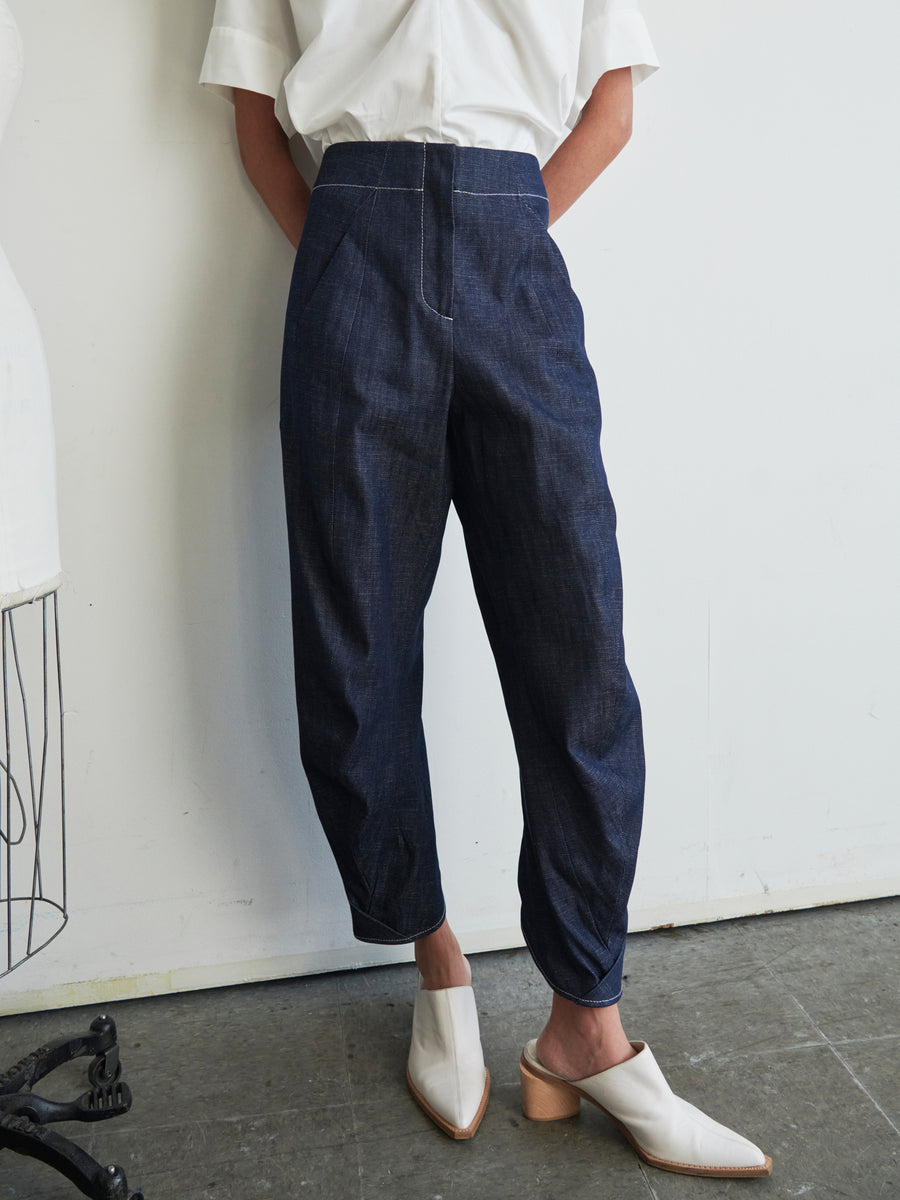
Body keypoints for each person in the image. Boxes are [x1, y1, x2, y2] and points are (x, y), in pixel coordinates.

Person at [201, 0, 772, 1178]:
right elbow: (257, 122)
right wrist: (354, 255)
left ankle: (587, 1024)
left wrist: (496, 235)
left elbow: (609, 105)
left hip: (516, 253)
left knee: (579, 654)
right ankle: (437, 963)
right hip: (352, 254)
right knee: (357, 644)